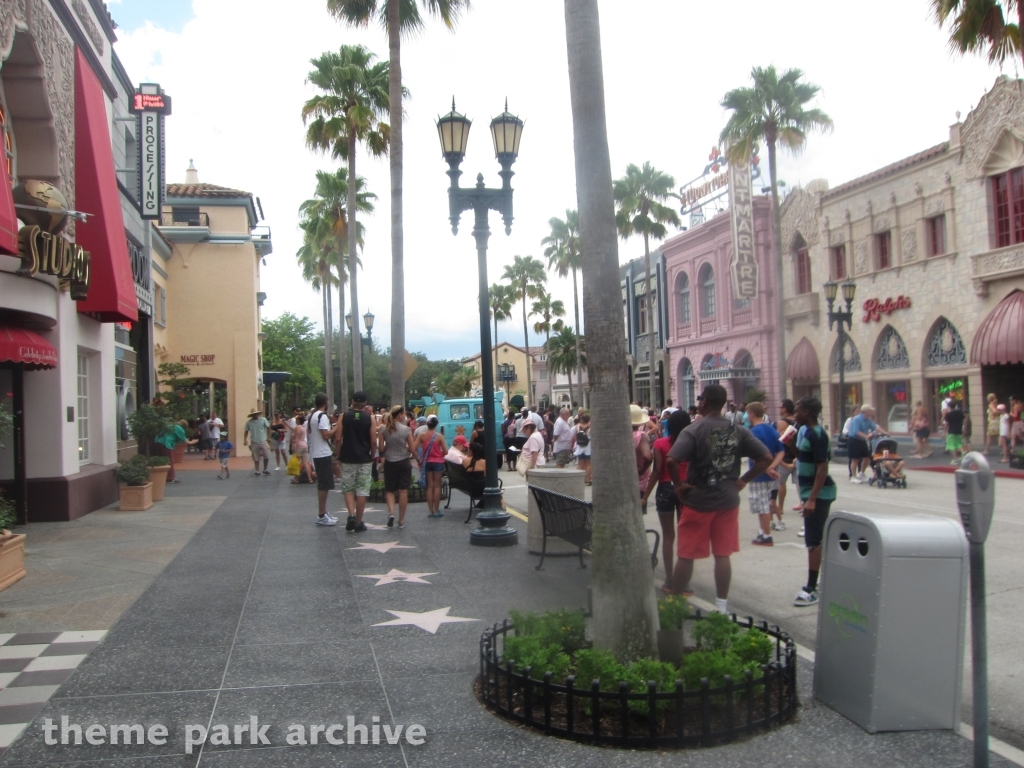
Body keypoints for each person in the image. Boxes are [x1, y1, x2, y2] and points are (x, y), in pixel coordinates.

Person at [666, 384, 772, 614]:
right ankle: (721, 606)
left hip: (698, 500)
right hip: (727, 501)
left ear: (705, 402)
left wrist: (678, 485)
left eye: (700, 400)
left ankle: (674, 604)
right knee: (722, 555)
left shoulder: (694, 430)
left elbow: (672, 460)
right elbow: (765, 457)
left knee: (686, 555)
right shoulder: (739, 431)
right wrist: (743, 480)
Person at [792, 396, 838, 608]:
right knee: (815, 538)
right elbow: (805, 458)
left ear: (807, 412)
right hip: (810, 492)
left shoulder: (817, 434)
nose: (795, 415)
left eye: (798, 411)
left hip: (819, 494)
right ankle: (818, 580)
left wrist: (812, 499)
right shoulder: (807, 433)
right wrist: (791, 447)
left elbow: (822, 468)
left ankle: (811, 589)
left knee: (813, 541)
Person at [642, 408, 691, 592]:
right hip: (685, 488)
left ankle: (669, 579)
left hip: (665, 489)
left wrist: (645, 496)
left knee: (668, 536)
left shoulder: (660, 444)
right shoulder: (691, 444)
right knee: (685, 536)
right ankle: (684, 581)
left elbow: (656, 471)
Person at [747, 402, 785, 546]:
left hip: (758, 474)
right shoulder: (772, 430)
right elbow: (781, 451)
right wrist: (772, 466)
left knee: (761, 505)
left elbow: (753, 455)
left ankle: (766, 535)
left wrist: (766, 468)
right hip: (772, 474)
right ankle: (762, 531)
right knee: (766, 502)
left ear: (752, 414)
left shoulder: (752, 432)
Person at [338, 391, 377, 533]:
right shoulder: (370, 418)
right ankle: (359, 522)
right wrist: (373, 456)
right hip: (364, 458)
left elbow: (338, 438)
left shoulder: (343, 416)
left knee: (348, 489)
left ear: (352, 401)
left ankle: (351, 514)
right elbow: (373, 441)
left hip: (347, 457)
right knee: (362, 490)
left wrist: (339, 454)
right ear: (365, 403)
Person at [378, 405, 417, 529]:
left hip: (390, 461)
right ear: (399, 415)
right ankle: (401, 520)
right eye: (403, 414)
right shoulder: (406, 430)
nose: (404, 416)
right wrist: (418, 459)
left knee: (390, 490)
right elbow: (412, 448)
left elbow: (381, 448)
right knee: (403, 490)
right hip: (404, 461)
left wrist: (389, 446)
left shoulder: (383, 429)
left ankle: (391, 513)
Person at [308, 394, 340, 526]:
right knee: (324, 485)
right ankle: (322, 514)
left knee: (324, 484)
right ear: (325, 402)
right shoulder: (322, 416)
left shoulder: (314, 416)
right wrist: (337, 426)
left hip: (318, 453)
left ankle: (324, 512)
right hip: (322, 453)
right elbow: (326, 435)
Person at [414, 415, 448, 518]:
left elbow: (413, 448)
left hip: (427, 461)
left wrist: (419, 459)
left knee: (430, 486)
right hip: (438, 462)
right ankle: (436, 510)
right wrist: (438, 454)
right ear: (436, 425)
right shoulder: (439, 436)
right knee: (437, 486)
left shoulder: (422, 435)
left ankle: (430, 510)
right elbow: (446, 451)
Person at [773, 399, 798, 530]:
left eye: (781, 407)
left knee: (781, 483)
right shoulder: (798, 421)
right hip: (797, 454)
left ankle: (781, 506)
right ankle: (803, 503)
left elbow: (779, 440)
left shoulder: (783, 422)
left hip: (786, 456)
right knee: (799, 482)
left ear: (785, 409)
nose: (779, 409)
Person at [846, 405, 887, 483]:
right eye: (870, 411)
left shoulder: (868, 420)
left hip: (862, 440)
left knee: (867, 457)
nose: (872, 412)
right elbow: (856, 431)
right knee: (855, 459)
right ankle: (853, 477)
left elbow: (875, 427)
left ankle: (861, 473)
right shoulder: (856, 419)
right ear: (866, 412)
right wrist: (866, 436)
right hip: (854, 440)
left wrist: (885, 432)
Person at [630, 404, 653, 511]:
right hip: (638, 482)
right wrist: (640, 470)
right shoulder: (641, 435)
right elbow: (648, 457)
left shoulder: (619, 435)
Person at [243, 409, 272, 476]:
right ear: (252, 415)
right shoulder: (249, 422)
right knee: (256, 457)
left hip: (263, 440)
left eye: (256, 414)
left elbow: (268, 428)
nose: (255, 415)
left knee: (266, 455)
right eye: (254, 414)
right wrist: (245, 440)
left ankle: (265, 469)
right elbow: (246, 431)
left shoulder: (263, 420)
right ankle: (257, 471)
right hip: (254, 441)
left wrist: (269, 437)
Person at [290, 413, 312, 485]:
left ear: (299, 421)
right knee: (305, 463)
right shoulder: (303, 427)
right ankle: (309, 478)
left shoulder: (298, 427)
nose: (296, 421)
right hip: (304, 445)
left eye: (297, 420)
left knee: (297, 463)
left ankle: (296, 479)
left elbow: (297, 437)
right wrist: (286, 424)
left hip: (299, 445)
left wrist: (294, 446)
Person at [573, 413, 592, 485]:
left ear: (582, 419)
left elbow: (575, 436)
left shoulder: (577, 427)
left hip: (580, 447)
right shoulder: (590, 428)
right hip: (588, 447)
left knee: (580, 464)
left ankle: (577, 479)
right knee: (589, 464)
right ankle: (588, 480)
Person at [944, 399, 966, 464]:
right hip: (959, 430)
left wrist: (945, 431)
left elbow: (947, 424)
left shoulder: (949, 414)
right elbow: (963, 420)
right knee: (959, 444)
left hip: (951, 431)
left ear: (949, 406)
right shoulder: (960, 413)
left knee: (952, 446)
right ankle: (963, 453)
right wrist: (963, 429)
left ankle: (955, 459)